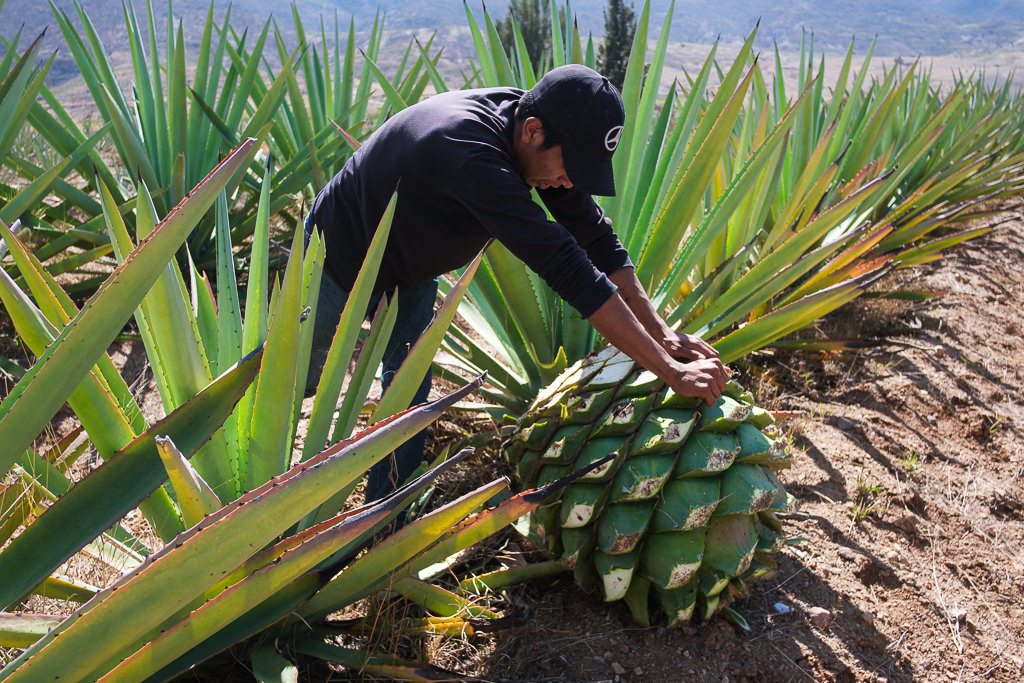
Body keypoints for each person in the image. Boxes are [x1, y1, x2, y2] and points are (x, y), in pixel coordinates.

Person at [305, 64, 730, 503]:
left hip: (410, 269)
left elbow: (596, 240)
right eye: (571, 168)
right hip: (336, 257)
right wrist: (670, 370)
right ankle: (257, 515)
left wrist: (662, 334)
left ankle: (381, 522)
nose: (568, 183)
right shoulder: (468, 150)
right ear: (531, 131)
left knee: (407, 398)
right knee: (300, 380)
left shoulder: (540, 125)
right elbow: (569, 268)